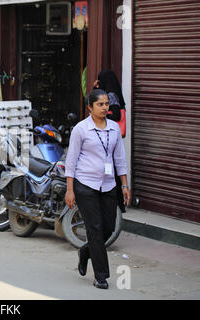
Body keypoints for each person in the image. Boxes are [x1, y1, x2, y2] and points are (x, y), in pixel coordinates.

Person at [64, 89, 131, 289]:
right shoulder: (81, 129)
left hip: (109, 184)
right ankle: (101, 276)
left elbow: (119, 158)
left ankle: (85, 252)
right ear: (90, 107)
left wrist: (125, 185)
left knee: (108, 228)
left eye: (106, 104)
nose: (104, 108)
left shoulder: (113, 128)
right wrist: (70, 189)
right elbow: (71, 160)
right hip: (85, 184)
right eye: (100, 104)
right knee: (94, 228)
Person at [94, 69, 127, 213]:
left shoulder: (111, 94)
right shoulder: (111, 90)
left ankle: (117, 202)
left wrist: (103, 115)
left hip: (110, 137)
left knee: (111, 169)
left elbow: (117, 114)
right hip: (109, 137)